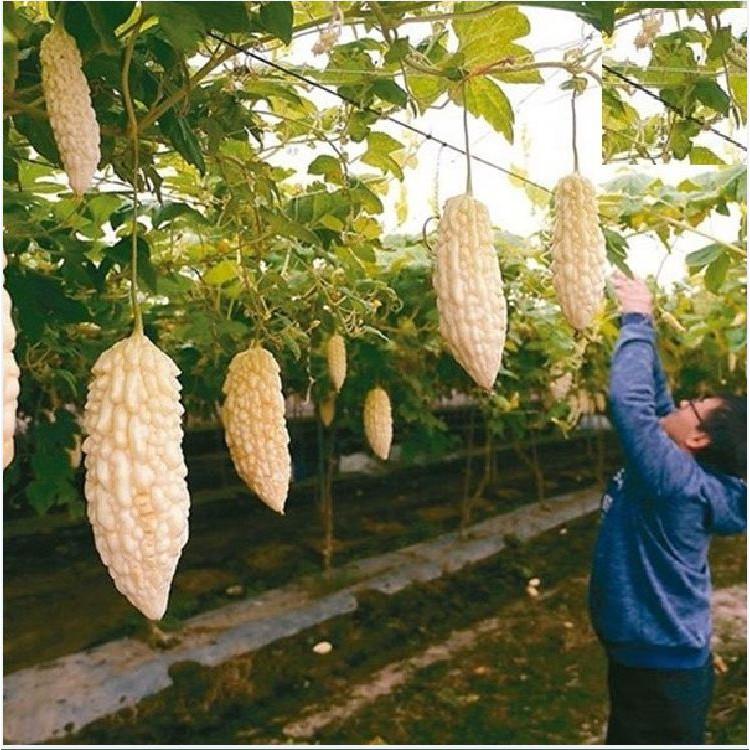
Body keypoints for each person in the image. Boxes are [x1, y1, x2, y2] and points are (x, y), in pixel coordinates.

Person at [588, 271, 747, 745]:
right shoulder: (680, 467)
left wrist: (636, 319)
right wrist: (649, 330)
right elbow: (657, 402)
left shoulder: (673, 480)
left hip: (660, 669)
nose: (681, 402)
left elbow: (631, 403)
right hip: (653, 655)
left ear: (697, 439)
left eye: (693, 406)